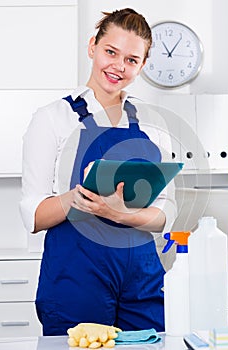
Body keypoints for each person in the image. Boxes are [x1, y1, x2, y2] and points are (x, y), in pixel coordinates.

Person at [20, 8, 177, 336]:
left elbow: (166, 213)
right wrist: (80, 198)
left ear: (143, 66)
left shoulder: (153, 124)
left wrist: (120, 214)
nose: (119, 66)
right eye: (110, 52)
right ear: (92, 46)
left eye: (132, 60)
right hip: (77, 277)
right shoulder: (53, 118)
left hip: (143, 279)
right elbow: (33, 215)